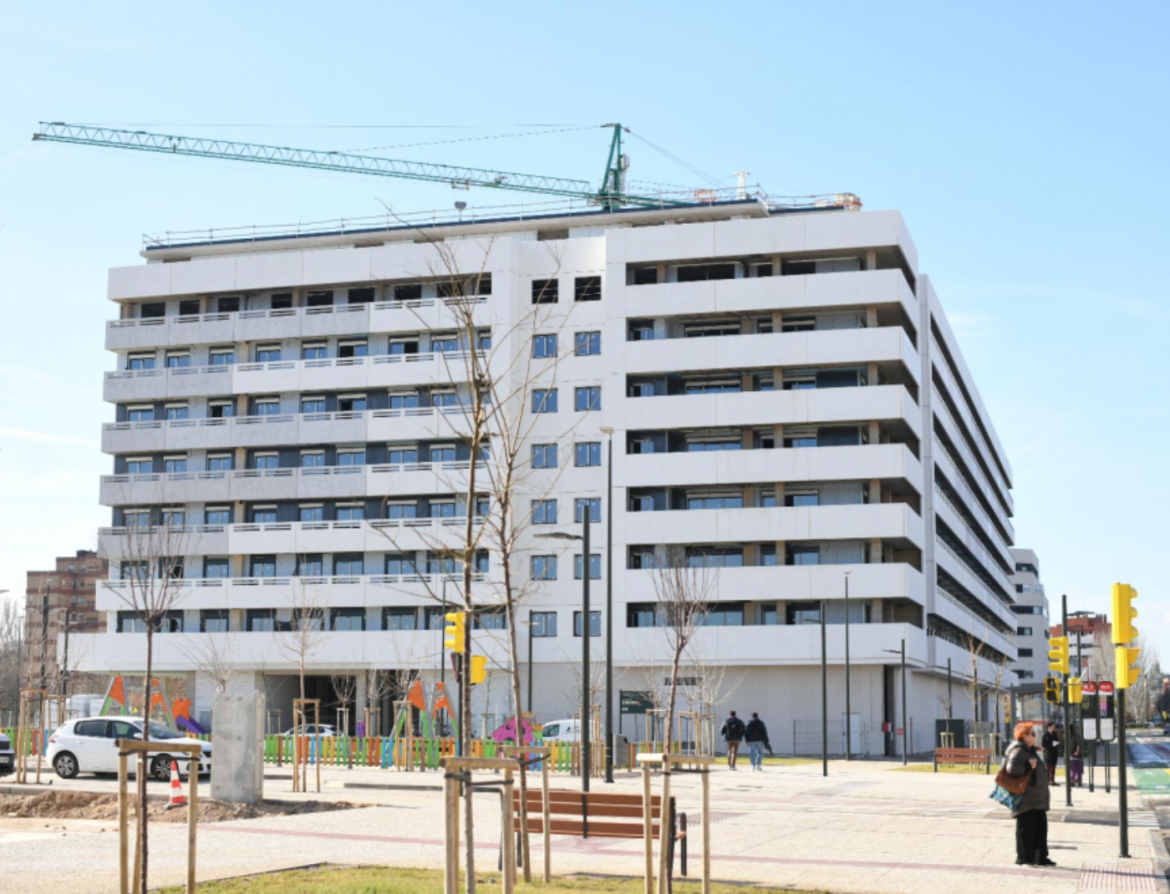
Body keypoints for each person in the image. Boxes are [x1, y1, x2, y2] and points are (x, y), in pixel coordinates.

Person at [1004, 722, 1054, 866]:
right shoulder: (1018, 751)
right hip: (1027, 797)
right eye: (1032, 733)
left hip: (1036, 797)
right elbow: (1011, 770)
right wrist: (1027, 766)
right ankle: (1024, 858)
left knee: (1040, 829)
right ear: (1024, 736)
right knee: (1026, 829)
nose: (1035, 736)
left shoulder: (1029, 750)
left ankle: (1040, 858)